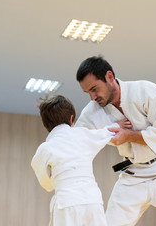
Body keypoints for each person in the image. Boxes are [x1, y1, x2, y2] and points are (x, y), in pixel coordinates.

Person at [75, 56, 156, 226]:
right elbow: (78, 140)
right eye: (87, 92)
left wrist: (128, 135)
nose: (92, 97)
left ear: (109, 77)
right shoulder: (91, 112)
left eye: (94, 89)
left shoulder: (145, 91)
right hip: (134, 173)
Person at [31, 95, 131, 226]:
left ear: (46, 125)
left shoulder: (45, 148)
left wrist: (52, 184)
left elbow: (43, 179)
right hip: (92, 200)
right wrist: (117, 125)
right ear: (71, 118)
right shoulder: (82, 134)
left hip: (66, 202)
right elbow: (104, 133)